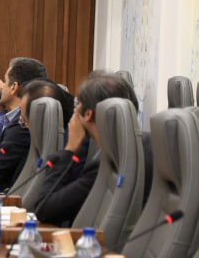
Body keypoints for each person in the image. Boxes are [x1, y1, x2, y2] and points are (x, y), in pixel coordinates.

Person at [33, 72, 152, 226]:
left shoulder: (110, 164)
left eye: (77, 104)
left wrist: (69, 148)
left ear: (88, 114)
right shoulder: (150, 147)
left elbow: (44, 209)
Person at [0, 57, 47, 189]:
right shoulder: (13, 120)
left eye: (5, 81)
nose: (2, 86)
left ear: (14, 87)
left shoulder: (21, 125)